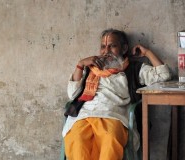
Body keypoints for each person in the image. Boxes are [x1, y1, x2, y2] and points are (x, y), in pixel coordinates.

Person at [62, 29, 171, 160]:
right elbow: (72, 94)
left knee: (110, 139)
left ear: (124, 48)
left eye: (112, 46)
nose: (106, 51)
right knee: (77, 140)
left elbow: (164, 75)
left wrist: (147, 52)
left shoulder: (133, 68)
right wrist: (80, 65)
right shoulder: (91, 68)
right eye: (103, 46)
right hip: (84, 115)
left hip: (114, 115)